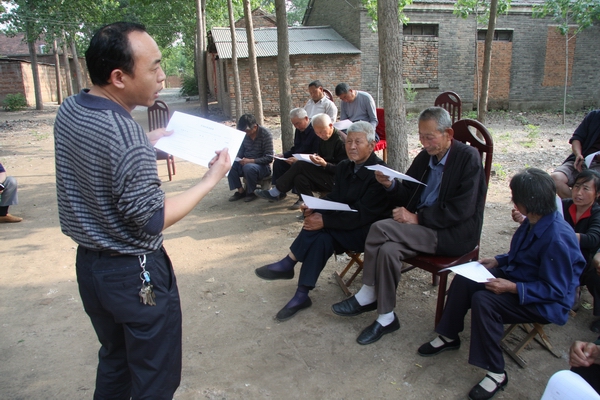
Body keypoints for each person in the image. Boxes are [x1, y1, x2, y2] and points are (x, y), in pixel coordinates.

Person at [53, 22, 231, 399]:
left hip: (91, 268)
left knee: (115, 360)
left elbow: (94, 161)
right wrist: (208, 181)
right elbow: (151, 217)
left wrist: (143, 146)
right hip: (134, 274)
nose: (162, 77)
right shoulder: (122, 133)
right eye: (154, 68)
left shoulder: (72, 108)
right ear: (118, 76)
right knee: (155, 377)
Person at [417, 168, 585, 400]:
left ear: (527, 203)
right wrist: (498, 260)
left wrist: (512, 287)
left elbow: (556, 290)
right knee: (466, 277)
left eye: (514, 196)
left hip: (545, 300)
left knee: (485, 301)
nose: (512, 201)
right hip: (522, 277)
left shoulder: (557, 238)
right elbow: (523, 256)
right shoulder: (536, 219)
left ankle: (496, 373)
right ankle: (449, 335)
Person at [331, 106, 487, 345]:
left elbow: (462, 210)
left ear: (448, 134)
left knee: (379, 228)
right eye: (421, 136)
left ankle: (368, 292)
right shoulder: (426, 157)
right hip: (420, 231)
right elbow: (408, 193)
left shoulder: (468, 158)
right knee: (388, 250)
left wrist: (418, 218)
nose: (425, 143)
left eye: (430, 137)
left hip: (450, 234)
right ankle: (386, 316)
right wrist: (390, 185)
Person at [254, 121, 389, 321]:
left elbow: (364, 215)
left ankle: (289, 264)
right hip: (345, 223)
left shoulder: (379, 173)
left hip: (367, 230)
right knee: (321, 235)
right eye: (349, 141)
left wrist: (324, 221)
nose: (351, 146)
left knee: (322, 230)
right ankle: (301, 293)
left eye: (358, 142)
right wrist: (314, 205)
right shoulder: (345, 166)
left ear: (371, 145)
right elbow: (336, 197)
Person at [514, 170, 600, 330]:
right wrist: (527, 219)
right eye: (576, 186)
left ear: (597, 194)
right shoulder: (564, 205)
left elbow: (593, 238)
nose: (578, 193)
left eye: (586, 189)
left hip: (584, 260)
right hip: (556, 255)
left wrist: (560, 234)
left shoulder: (596, 214)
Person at [255, 113, 347, 209]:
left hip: (337, 179)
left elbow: (343, 169)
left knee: (300, 165)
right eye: (317, 133)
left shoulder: (341, 142)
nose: (320, 135)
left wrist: (324, 164)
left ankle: (277, 191)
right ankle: (311, 208)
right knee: (299, 178)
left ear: (331, 125)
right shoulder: (322, 137)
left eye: (322, 132)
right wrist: (315, 158)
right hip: (324, 172)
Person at [271, 108, 320, 208]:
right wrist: (284, 155)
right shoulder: (298, 131)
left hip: (309, 163)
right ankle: (280, 192)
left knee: (297, 166)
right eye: (294, 124)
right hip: (296, 160)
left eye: (298, 123)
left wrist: (299, 159)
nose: (296, 126)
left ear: (306, 119)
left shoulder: (315, 131)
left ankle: (301, 197)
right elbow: (295, 148)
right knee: (278, 163)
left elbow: (316, 154)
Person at [551, 109, 600, 198]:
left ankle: (591, 210)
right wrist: (578, 154)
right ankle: (573, 207)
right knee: (555, 178)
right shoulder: (594, 115)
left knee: (591, 186)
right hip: (581, 159)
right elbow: (577, 139)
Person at [228, 113, 274, 203]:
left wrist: (251, 161)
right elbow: (241, 152)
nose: (245, 134)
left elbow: (269, 158)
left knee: (248, 167)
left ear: (255, 127)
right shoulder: (244, 135)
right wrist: (236, 158)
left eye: (247, 131)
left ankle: (251, 192)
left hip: (262, 166)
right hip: (246, 163)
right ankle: (241, 190)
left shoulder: (266, 135)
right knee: (229, 164)